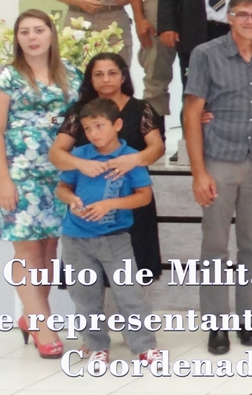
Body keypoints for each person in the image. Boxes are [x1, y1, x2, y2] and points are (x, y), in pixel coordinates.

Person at [182, 0, 252, 355]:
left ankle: (248, 319)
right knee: (215, 246)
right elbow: (192, 113)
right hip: (219, 160)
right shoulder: (205, 54)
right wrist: (198, 172)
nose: (250, 21)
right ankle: (216, 324)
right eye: (243, 14)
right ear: (230, 17)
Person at [0, 10, 79, 358]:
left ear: (52, 34)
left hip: (59, 175)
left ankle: (31, 316)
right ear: (17, 39)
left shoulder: (71, 73)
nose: (32, 37)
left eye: (39, 30)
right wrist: (3, 180)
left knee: (50, 249)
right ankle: (43, 325)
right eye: (24, 32)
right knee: (27, 250)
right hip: (18, 175)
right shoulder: (4, 76)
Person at [54, 98, 158, 364]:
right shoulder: (79, 155)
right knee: (85, 296)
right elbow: (62, 189)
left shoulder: (129, 158)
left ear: (117, 125)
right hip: (76, 238)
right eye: (88, 128)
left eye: (99, 126)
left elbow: (144, 196)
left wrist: (110, 204)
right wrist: (72, 201)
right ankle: (96, 345)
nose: (93, 133)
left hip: (115, 238)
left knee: (129, 294)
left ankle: (144, 346)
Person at [49, 53, 165, 281]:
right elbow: (56, 153)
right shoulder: (80, 111)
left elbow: (157, 148)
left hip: (132, 201)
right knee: (90, 280)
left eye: (112, 73)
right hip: (89, 204)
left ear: (123, 77)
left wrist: (133, 159)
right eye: (98, 74)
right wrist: (80, 164)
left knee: (133, 276)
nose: (106, 79)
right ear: (90, 79)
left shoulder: (141, 108)